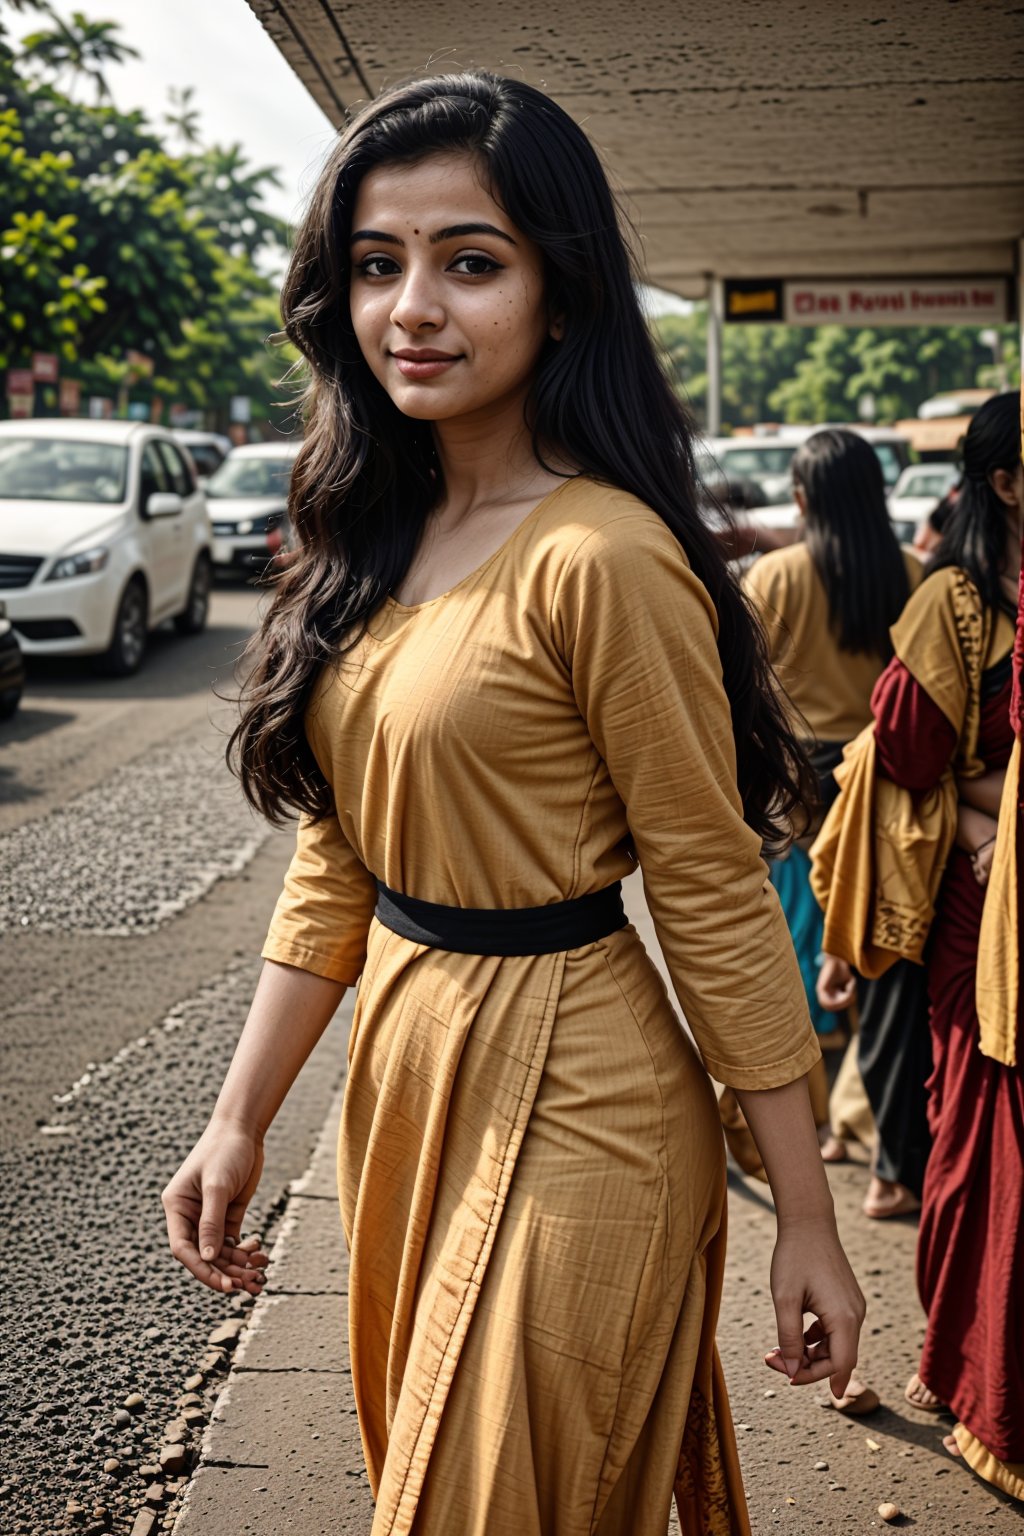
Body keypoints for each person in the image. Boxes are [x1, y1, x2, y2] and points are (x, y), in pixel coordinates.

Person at [161, 72, 864, 1535]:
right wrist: (238, 1123)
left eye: (469, 261)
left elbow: (714, 893)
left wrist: (808, 1217)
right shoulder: (366, 536)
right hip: (409, 1077)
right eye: (376, 263)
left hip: (587, 1088)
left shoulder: (601, 558)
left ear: (562, 291)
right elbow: (333, 871)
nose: (412, 305)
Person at [819, 391, 1023, 1501]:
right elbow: (902, 749)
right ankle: (960, 1364)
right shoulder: (954, 599)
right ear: (1003, 485)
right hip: (974, 911)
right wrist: (988, 811)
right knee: (970, 1134)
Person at [744, 430, 928, 1224]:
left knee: (793, 948)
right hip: (886, 789)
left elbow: (742, 690)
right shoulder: (916, 576)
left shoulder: (775, 576)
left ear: (804, 497)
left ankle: (806, 1124)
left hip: (798, 787)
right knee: (880, 961)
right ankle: (885, 1154)